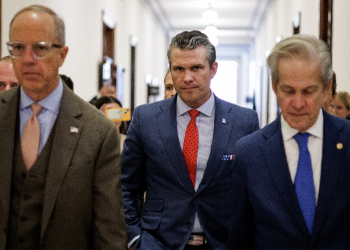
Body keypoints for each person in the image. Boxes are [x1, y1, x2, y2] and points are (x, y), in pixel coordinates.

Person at [0, 5, 127, 249]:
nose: (27, 59)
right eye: (18, 48)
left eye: (40, 48)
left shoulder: (97, 131)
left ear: (62, 54)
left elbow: (109, 232)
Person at [122, 30, 259, 250]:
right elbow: (126, 186)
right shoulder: (146, 119)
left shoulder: (244, 121)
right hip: (158, 243)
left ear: (213, 70)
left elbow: (254, 192)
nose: (187, 77)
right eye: (179, 69)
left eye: (196, 68)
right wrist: (134, 238)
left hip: (222, 242)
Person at [227, 34, 350, 249]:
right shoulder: (250, 153)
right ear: (274, 86)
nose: (298, 102)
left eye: (309, 91)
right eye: (288, 91)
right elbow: (240, 238)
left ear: (326, 88)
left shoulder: (347, 140)